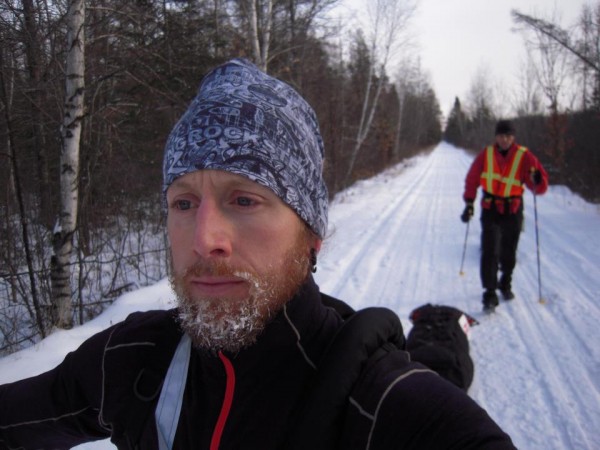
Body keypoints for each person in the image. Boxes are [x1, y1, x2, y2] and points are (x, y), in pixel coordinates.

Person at [0, 58, 516, 449]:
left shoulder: (385, 405)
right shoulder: (132, 365)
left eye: (244, 200)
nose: (205, 239)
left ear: (312, 234)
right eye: (183, 202)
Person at [461, 119, 548, 312]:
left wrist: (537, 180)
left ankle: (505, 282)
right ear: (496, 137)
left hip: (513, 209)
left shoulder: (525, 156)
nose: (505, 139)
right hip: (490, 207)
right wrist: (469, 203)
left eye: (508, 136)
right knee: (490, 249)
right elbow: (472, 178)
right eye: (501, 135)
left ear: (513, 137)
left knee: (509, 250)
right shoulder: (487, 154)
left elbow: (540, 187)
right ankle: (489, 293)